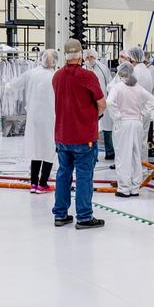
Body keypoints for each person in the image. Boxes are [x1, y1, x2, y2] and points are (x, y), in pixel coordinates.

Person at [51, 39, 106, 230]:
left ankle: (60, 214)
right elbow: (101, 103)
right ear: (81, 55)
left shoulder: (56, 76)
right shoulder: (88, 77)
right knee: (84, 176)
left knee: (63, 174)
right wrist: (94, 117)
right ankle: (84, 217)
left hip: (62, 136)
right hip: (83, 137)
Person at [108, 63, 154, 198]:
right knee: (136, 155)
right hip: (137, 123)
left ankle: (124, 188)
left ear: (120, 73)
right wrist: (144, 114)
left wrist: (117, 116)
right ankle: (135, 187)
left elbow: (110, 102)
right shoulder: (138, 88)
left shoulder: (117, 88)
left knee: (123, 156)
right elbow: (152, 100)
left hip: (124, 124)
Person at [23, 49, 59, 194]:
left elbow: (13, 85)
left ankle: (33, 184)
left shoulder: (33, 74)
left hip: (34, 118)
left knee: (36, 150)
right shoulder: (56, 76)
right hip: (50, 117)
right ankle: (43, 184)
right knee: (49, 150)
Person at [84, 49, 115, 161]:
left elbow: (110, 84)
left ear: (95, 57)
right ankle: (92, 155)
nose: (89, 59)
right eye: (87, 57)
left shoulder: (103, 69)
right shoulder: (83, 69)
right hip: (88, 104)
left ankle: (110, 152)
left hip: (103, 101)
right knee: (91, 130)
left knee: (107, 128)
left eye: (91, 57)